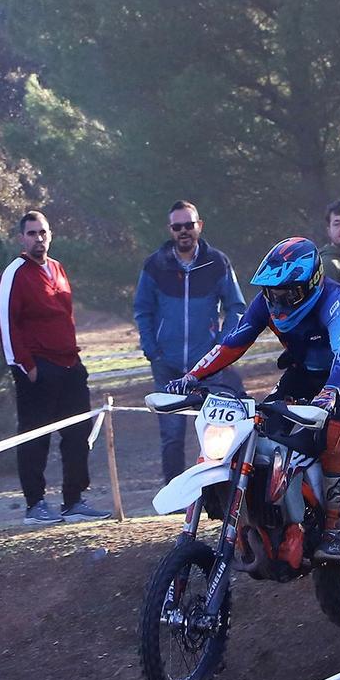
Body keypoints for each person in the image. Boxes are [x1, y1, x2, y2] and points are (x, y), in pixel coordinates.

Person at [174, 237, 340, 558]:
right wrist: (192, 376)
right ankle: (272, 511)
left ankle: (336, 527)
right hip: (303, 371)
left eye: (287, 294)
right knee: (261, 426)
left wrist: (331, 391)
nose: (277, 303)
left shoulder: (335, 300)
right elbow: (233, 343)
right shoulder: (265, 303)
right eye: (271, 294)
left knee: (334, 433)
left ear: (312, 283)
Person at [0, 210, 105, 524]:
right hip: (37, 368)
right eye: (32, 233)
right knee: (35, 437)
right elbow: (7, 325)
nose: (38, 239)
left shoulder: (57, 268)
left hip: (70, 364)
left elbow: (64, 317)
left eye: (43, 232)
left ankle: (74, 501)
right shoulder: (15, 273)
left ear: (50, 235)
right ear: (21, 238)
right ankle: (35, 505)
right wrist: (26, 367)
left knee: (77, 433)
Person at [134, 200, 247, 481]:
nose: (183, 231)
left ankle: (216, 492)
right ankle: (174, 498)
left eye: (189, 225)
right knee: (171, 436)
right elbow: (142, 310)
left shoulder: (218, 262)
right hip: (167, 365)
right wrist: (152, 350)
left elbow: (236, 306)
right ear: (170, 229)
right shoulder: (154, 265)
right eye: (177, 226)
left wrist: (223, 347)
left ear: (200, 226)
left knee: (216, 431)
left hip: (207, 365)